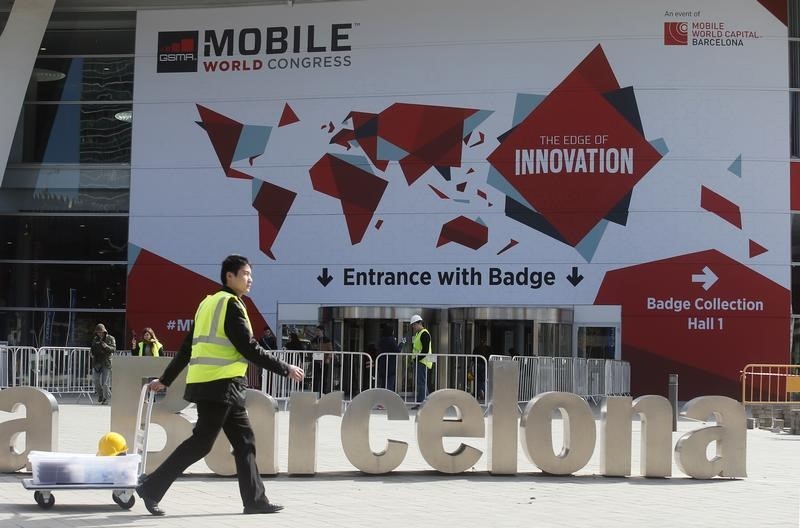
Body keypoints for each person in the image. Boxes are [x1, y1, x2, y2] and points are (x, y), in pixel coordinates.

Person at [136, 254, 304, 516]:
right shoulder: (231, 305)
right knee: (202, 443)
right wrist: (285, 368)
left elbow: (186, 348)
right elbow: (248, 348)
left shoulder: (207, 304)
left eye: (250, 274)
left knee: (245, 441)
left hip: (221, 386)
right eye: (246, 274)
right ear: (230, 276)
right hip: (220, 385)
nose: (250, 279)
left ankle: (255, 500)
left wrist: (166, 380)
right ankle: (151, 487)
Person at [409, 314, 433, 408]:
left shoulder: (424, 334)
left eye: (414, 325)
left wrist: (416, 359)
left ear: (419, 323)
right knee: (422, 383)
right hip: (421, 361)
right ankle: (426, 403)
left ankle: (421, 403)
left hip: (423, 362)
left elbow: (425, 350)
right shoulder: (418, 334)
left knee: (421, 383)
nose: (413, 327)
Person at [90, 323, 116, 405]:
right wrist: (91, 353)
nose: (100, 334)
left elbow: (113, 349)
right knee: (95, 380)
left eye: (101, 332)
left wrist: (106, 346)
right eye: (98, 332)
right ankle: (100, 395)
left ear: (105, 332)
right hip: (97, 362)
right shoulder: (95, 339)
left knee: (105, 383)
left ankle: (106, 399)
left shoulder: (110, 338)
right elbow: (93, 348)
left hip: (106, 363)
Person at [311, 324, 333, 395]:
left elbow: (330, 350)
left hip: (325, 361)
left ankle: (324, 392)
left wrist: (328, 359)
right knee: (315, 377)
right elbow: (311, 349)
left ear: (322, 331)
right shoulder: (314, 340)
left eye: (318, 331)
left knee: (324, 377)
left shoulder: (327, 340)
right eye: (316, 331)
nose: (317, 332)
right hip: (316, 361)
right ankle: (315, 393)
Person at [376, 323, 399, 391]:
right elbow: (397, 350)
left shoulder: (381, 340)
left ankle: (383, 399)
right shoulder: (391, 340)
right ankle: (388, 400)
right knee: (389, 384)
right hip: (390, 366)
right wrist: (401, 344)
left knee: (383, 384)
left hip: (382, 365)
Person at [472, 336, 492, 400]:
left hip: (478, 365)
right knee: (483, 380)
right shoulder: (488, 348)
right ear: (485, 341)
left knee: (478, 381)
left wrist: (472, 366)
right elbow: (490, 357)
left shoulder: (476, 348)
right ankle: (486, 394)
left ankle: (477, 394)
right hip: (484, 365)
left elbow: (473, 358)